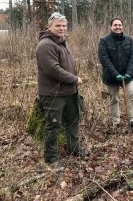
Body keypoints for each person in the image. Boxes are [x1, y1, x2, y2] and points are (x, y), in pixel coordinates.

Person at [36, 12, 89, 167]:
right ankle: (51, 159)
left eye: (64, 25)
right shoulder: (45, 45)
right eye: (58, 25)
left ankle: (74, 149)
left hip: (69, 92)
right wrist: (75, 79)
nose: (61, 28)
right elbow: (53, 70)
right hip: (53, 94)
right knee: (53, 126)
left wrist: (73, 83)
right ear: (49, 26)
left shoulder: (62, 42)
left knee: (73, 122)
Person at [98, 17, 133, 132]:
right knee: (113, 99)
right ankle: (116, 121)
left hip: (127, 76)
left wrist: (129, 73)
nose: (118, 27)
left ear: (122, 26)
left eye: (119, 25)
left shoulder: (129, 40)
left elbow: (132, 57)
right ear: (111, 27)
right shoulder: (104, 41)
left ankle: (132, 120)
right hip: (111, 76)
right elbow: (104, 60)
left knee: (131, 95)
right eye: (115, 25)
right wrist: (115, 74)